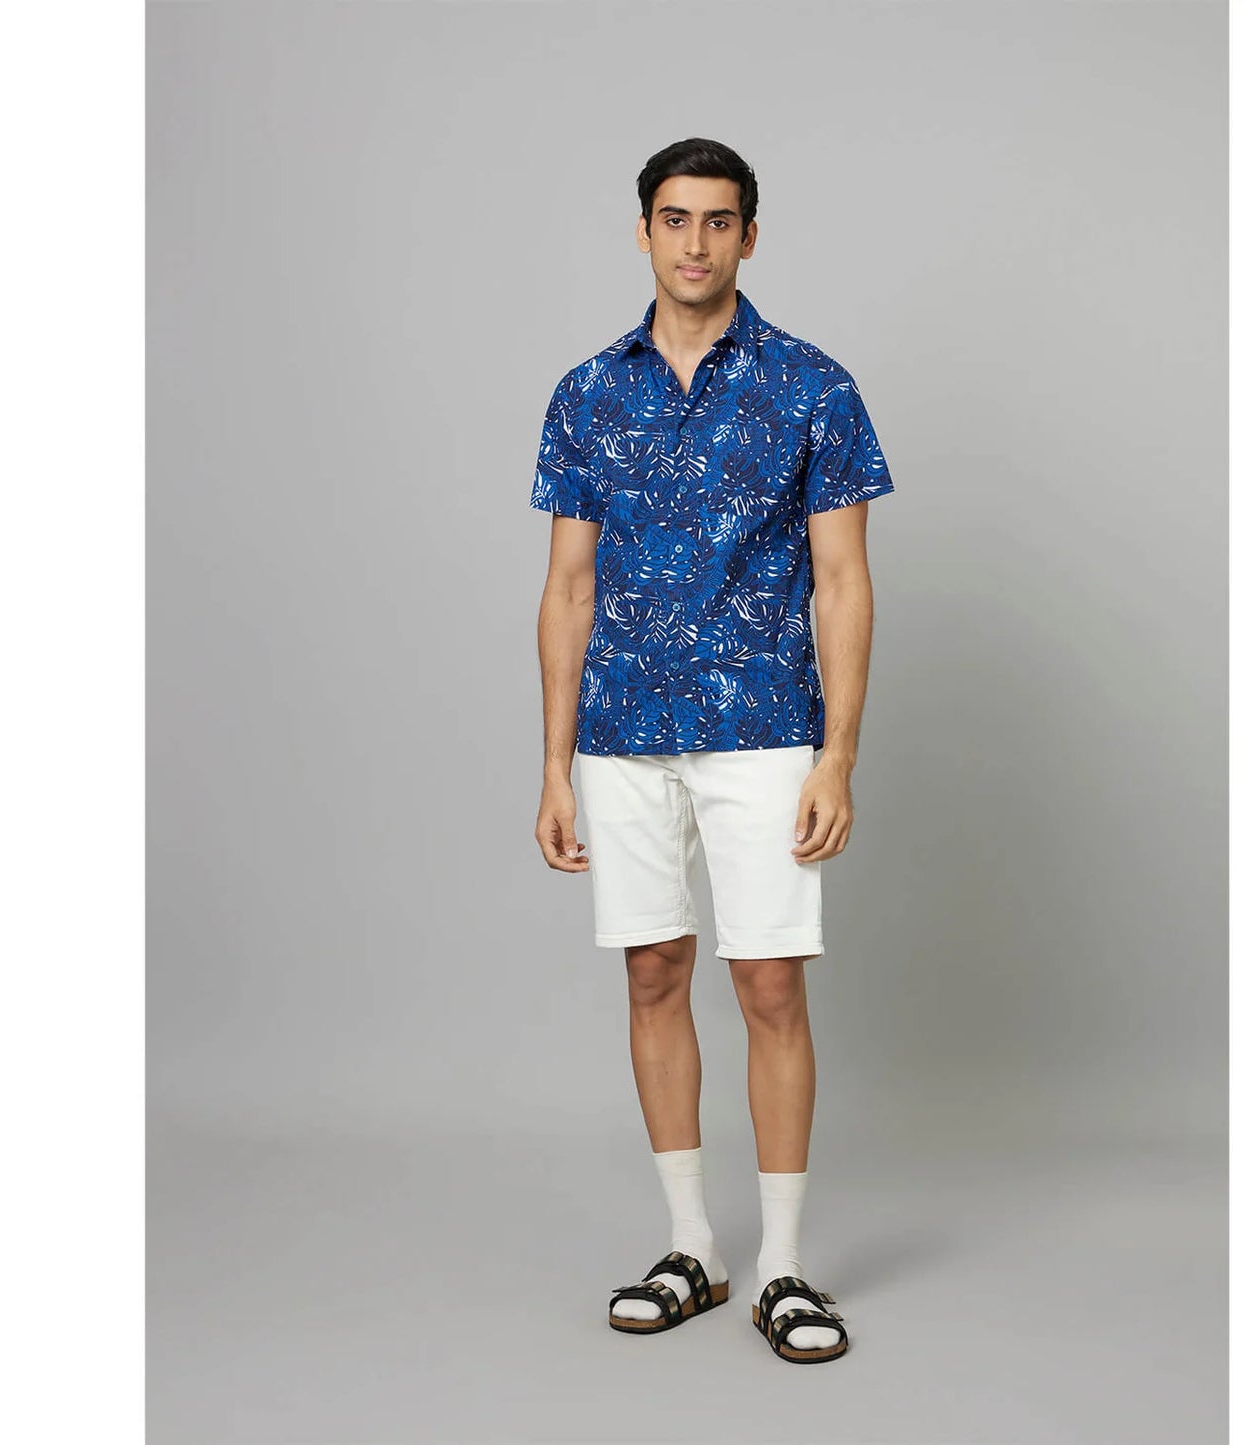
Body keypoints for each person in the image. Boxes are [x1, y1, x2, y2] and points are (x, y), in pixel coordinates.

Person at [530, 137, 894, 1364]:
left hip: (763, 725)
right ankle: (691, 1243)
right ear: (642, 230)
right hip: (622, 731)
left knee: (770, 983)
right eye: (674, 219)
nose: (695, 242)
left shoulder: (812, 386)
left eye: (718, 220)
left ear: (749, 234)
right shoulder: (587, 392)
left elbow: (842, 582)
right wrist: (552, 764)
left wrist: (837, 755)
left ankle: (782, 1264)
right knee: (650, 972)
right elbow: (567, 588)